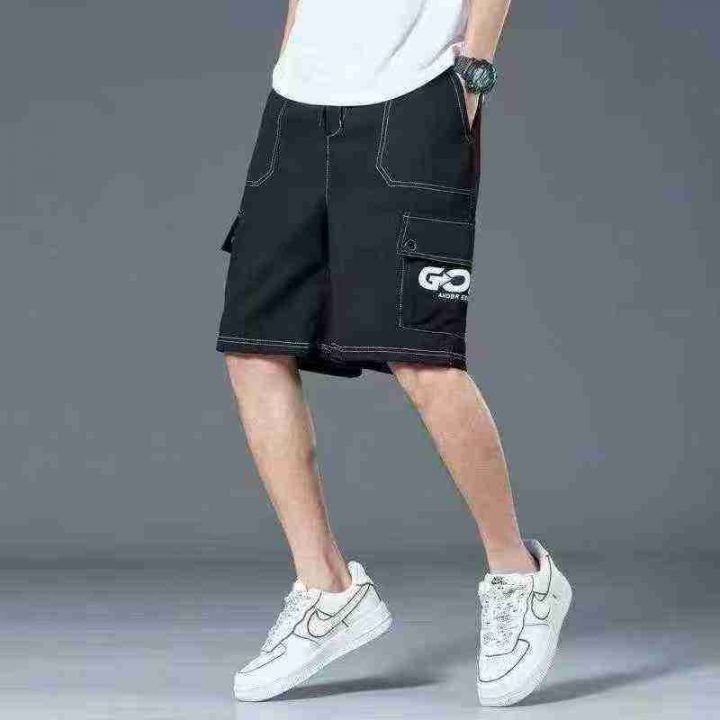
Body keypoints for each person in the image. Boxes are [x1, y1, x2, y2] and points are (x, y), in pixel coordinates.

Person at [217, 0, 572, 707]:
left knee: (422, 357)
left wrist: (472, 76)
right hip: (296, 105)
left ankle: (522, 576)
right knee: (253, 348)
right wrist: (292, 55)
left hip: (413, 99)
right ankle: (326, 589)